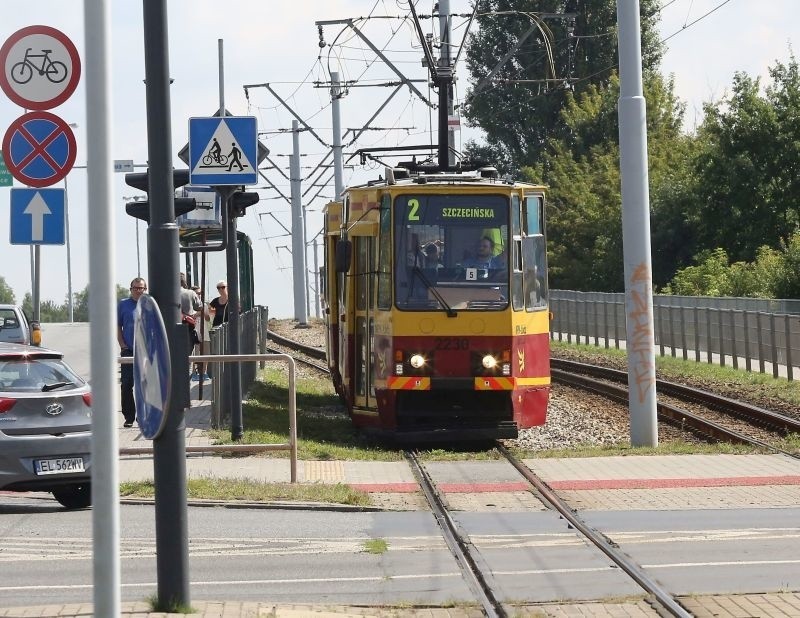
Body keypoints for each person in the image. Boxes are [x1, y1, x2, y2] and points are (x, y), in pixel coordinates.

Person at [117, 277, 147, 428]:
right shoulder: (123, 305)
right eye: (135, 288)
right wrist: (122, 345)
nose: (138, 291)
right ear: (131, 289)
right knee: (127, 384)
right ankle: (129, 416)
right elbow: (118, 325)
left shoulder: (148, 305)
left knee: (143, 385)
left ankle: (142, 416)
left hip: (145, 351)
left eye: (141, 288)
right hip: (128, 350)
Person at [190, 286, 211, 381]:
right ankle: (194, 372)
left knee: (205, 352)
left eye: (200, 293)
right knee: (195, 353)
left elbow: (208, 319)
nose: (198, 295)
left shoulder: (204, 305)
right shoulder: (189, 305)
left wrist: (204, 313)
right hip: (194, 332)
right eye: (197, 293)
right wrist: (197, 314)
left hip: (204, 331)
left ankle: (204, 372)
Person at [179, 273, 202, 359]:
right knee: (187, 357)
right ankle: (186, 372)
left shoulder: (166, 293)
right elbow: (199, 307)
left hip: (168, 329)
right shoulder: (190, 293)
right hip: (187, 327)